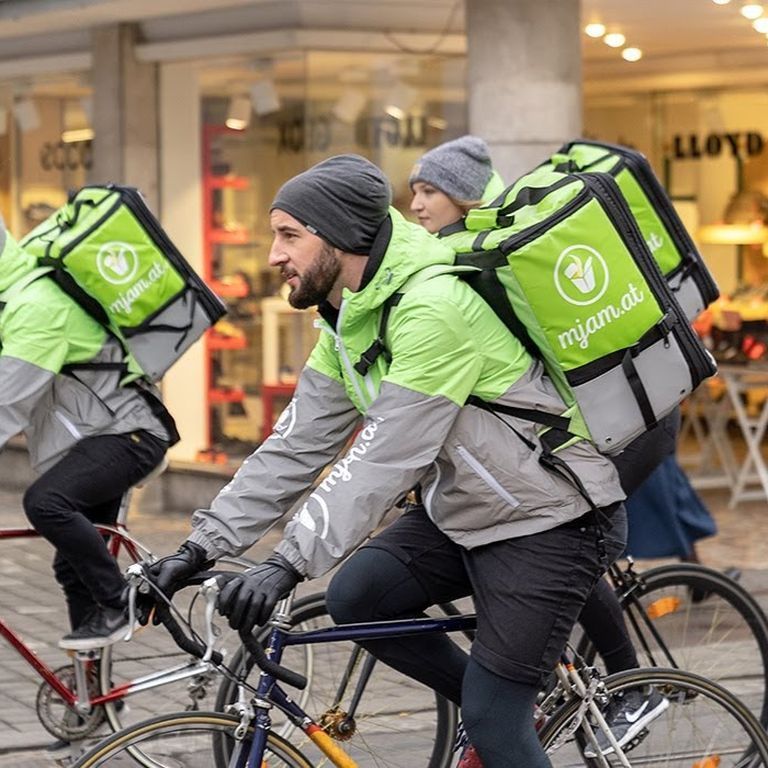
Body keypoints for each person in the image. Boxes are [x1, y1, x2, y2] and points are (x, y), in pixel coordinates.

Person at [145, 153, 627, 768]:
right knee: (359, 599)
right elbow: (296, 445)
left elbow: (383, 458)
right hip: (469, 510)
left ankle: (503, 718)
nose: (273, 255)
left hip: (550, 519)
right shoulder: (349, 318)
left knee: (492, 717)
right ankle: (515, 710)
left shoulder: (434, 308)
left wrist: (287, 564)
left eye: (289, 235)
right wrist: (199, 549)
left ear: (343, 237)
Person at [0, 219, 173, 651]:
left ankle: (121, 602)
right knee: (71, 567)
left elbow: (5, 403)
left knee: (45, 502)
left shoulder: (35, 307)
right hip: (99, 439)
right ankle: (95, 702)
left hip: (129, 435)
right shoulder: (15, 299)